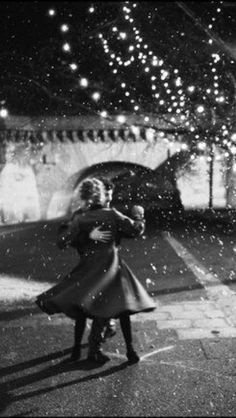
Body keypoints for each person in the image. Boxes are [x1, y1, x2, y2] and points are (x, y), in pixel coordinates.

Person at [36, 177, 156, 364]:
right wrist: (139, 215)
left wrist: (84, 233)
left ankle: (81, 349)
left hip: (88, 268)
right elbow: (135, 230)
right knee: (121, 308)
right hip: (112, 268)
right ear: (100, 195)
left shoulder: (80, 217)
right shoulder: (112, 214)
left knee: (84, 308)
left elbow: (62, 241)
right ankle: (124, 350)